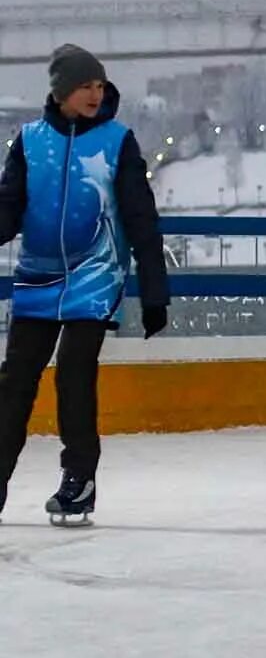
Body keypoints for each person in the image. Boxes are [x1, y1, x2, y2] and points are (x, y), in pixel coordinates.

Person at [0, 46, 170, 525]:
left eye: (99, 85)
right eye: (85, 86)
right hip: (37, 275)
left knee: (74, 372)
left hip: (96, 274)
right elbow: (9, 208)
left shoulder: (117, 142)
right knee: (15, 382)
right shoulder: (29, 141)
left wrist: (154, 289)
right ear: (61, 91)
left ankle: (79, 478)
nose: (95, 94)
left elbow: (141, 218)